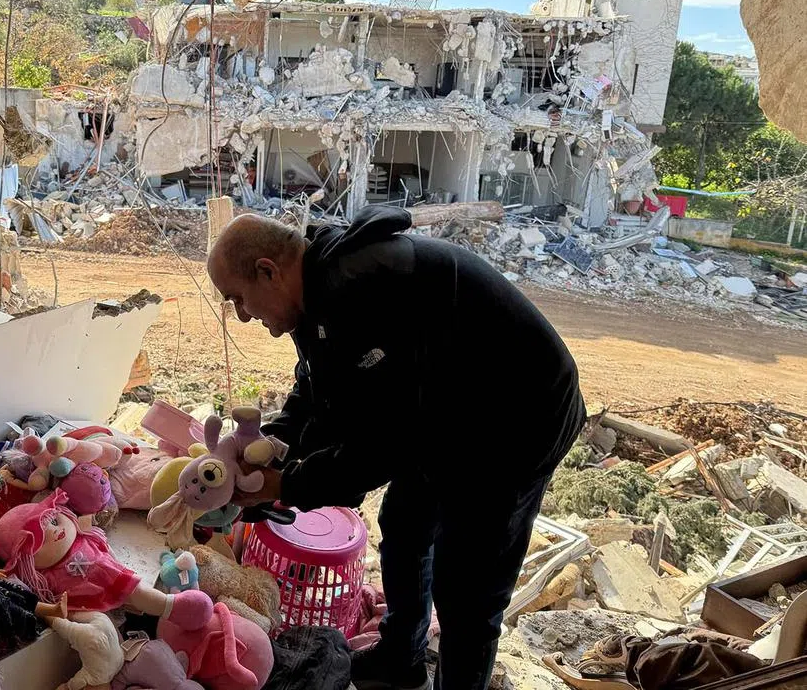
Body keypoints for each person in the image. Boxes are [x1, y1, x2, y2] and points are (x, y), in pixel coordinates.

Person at [206, 205, 585, 690]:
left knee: (467, 586)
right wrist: (271, 446)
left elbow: (382, 446)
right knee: (405, 526)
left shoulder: (363, 290)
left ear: (268, 272)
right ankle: (401, 659)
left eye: (238, 299)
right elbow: (320, 390)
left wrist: (290, 484)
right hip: (446, 406)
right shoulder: (315, 290)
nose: (241, 315)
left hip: (516, 417)